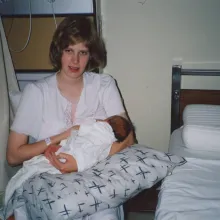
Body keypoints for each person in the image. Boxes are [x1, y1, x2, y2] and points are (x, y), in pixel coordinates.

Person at [6, 16, 134, 220]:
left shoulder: (104, 85)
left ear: (91, 54)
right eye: (69, 51)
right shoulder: (37, 92)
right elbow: (13, 156)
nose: (75, 61)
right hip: (46, 175)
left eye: (82, 52)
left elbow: (128, 138)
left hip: (95, 174)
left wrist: (81, 162)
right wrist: (63, 135)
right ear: (59, 52)